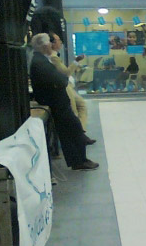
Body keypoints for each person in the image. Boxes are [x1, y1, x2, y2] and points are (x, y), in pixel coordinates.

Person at [30, 33, 98, 170]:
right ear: (44, 45)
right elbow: (62, 78)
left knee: (68, 131)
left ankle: (77, 161)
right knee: (74, 127)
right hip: (56, 101)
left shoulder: (41, 59)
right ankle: (80, 160)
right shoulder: (42, 62)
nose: (51, 44)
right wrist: (64, 79)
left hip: (56, 100)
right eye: (50, 42)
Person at [47, 33, 91, 140]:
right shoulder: (53, 58)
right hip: (63, 87)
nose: (61, 43)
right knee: (74, 110)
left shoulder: (56, 56)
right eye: (58, 41)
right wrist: (76, 61)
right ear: (52, 43)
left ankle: (81, 133)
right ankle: (77, 136)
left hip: (67, 85)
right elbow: (66, 72)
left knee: (81, 104)